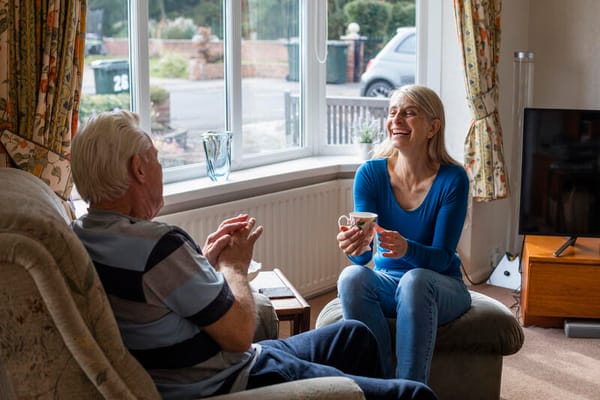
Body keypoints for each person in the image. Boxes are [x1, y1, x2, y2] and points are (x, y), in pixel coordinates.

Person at [69, 110, 437, 400]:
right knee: (414, 394)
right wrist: (235, 267)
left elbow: (154, 297)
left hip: (220, 367)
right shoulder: (158, 244)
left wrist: (204, 260)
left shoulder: (83, 234)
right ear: (139, 168)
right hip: (234, 379)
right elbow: (240, 334)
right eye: (157, 160)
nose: (161, 170)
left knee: (354, 335)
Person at [336, 84, 472, 383]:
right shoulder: (370, 174)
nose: (396, 120)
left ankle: (409, 390)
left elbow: (441, 259)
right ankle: (378, 385)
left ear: (432, 127)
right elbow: (363, 260)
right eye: (392, 112)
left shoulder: (453, 179)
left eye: (409, 113)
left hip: (441, 285)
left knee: (415, 280)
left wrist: (407, 249)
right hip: (388, 282)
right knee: (350, 277)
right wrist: (354, 246)